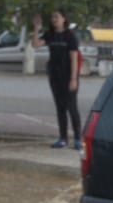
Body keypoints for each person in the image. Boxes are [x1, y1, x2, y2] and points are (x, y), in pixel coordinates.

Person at [32, 10, 83, 149]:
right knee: (60, 107)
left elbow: (74, 58)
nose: (54, 19)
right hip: (55, 75)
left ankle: (78, 139)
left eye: (57, 17)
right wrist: (36, 28)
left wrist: (73, 79)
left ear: (64, 19)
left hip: (69, 76)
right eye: (52, 17)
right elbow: (35, 44)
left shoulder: (70, 37)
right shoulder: (50, 35)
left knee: (71, 107)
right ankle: (63, 138)